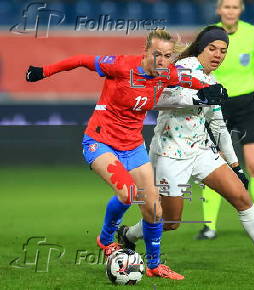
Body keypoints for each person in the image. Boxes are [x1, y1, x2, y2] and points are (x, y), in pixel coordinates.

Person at [25, 30, 227, 280]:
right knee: (127, 193)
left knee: (154, 210)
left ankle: (154, 265)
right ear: (146, 51)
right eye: (156, 55)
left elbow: (193, 81)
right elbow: (80, 60)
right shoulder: (120, 66)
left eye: (166, 56)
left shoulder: (167, 74)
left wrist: (213, 89)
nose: (161, 61)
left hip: (132, 146)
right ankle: (106, 239)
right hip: (100, 141)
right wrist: (43, 71)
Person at [117, 26, 254, 276]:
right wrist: (199, 98)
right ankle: (128, 235)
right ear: (201, 48)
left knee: (242, 198)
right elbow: (156, 100)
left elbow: (218, 126)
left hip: (202, 151)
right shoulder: (181, 69)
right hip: (171, 153)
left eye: (223, 51)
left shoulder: (213, 82)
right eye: (212, 48)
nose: (218, 54)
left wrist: (235, 166)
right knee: (171, 222)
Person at [197, 0, 254, 240]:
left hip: (248, 105)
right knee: (215, 167)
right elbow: (199, 67)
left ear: (240, 10)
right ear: (218, 10)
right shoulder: (208, 35)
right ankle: (209, 226)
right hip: (217, 106)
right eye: (226, 7)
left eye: (235, 7)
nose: (230, 11)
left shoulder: (253, 33)